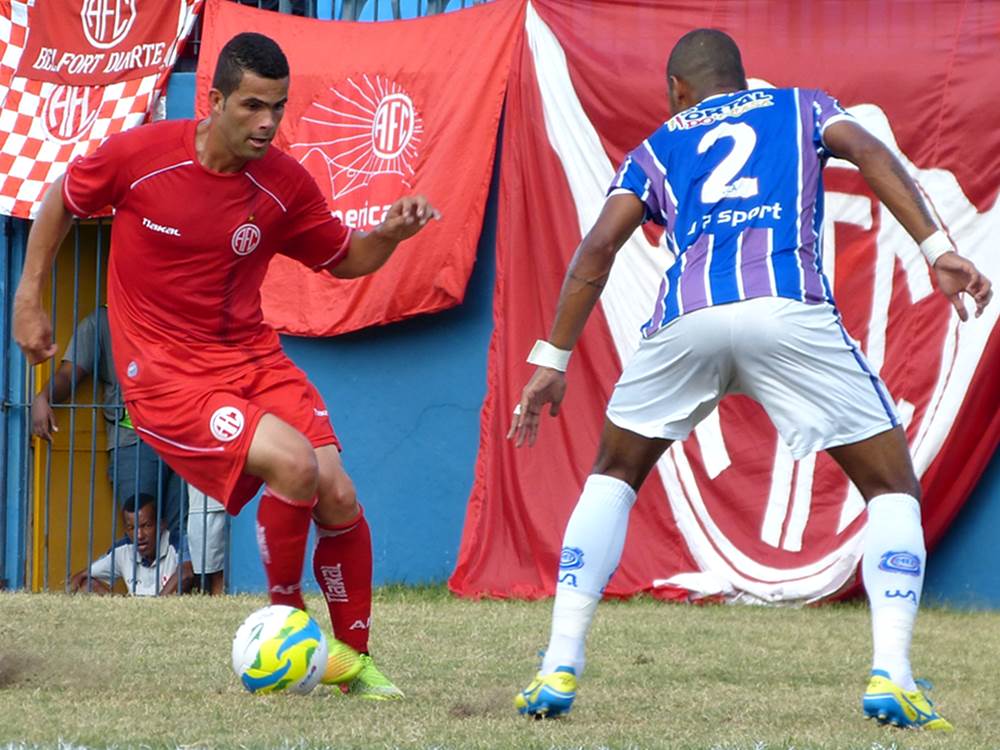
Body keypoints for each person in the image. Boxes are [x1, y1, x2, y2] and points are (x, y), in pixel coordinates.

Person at [507, 29, 991, 728]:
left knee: (613, 474)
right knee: (890, 486)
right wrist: (938, 247)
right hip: (784, 308)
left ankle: (558, 662)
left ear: (678, 91)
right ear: (743, 78)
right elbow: (870, 152)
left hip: (687, 318)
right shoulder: (803, 107)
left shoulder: (658, 144)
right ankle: (893, 673)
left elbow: (597, 248)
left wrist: (551, 360)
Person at [13, 32, 439, 700]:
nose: (267, 122)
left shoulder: (284, 186)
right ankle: (289, 629)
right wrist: (28, 296)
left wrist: (387, 233)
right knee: (295, 465)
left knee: (338, 491)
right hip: (164, 377)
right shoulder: (141, 156)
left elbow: (343, 259)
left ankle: (353, 666)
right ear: (212, 100)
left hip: (252, 358)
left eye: (278, 106)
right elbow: (64, 197)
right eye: (251, 106)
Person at [31, 306, 185, 536]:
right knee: (141, 535)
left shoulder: (173, 310)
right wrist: (43, 398)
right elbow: (69, 374)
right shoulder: (102, 320)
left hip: (184, 437)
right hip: (134, 441)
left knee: (182, 537)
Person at [69, 494, 193, 596]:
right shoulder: (122, 549)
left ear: (161, 525)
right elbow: (81, 577)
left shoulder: (177, 541)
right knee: (87, 584)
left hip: (166, 612)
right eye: (132, 528)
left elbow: (186, 573)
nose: (139, 535)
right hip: (131, 613)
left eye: (146, 526)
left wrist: (156, 607)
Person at [186, 485, 227, 595]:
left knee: (218, 573)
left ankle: (219, 602)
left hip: (216, 503)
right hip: (201, 504)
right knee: (209, 571)